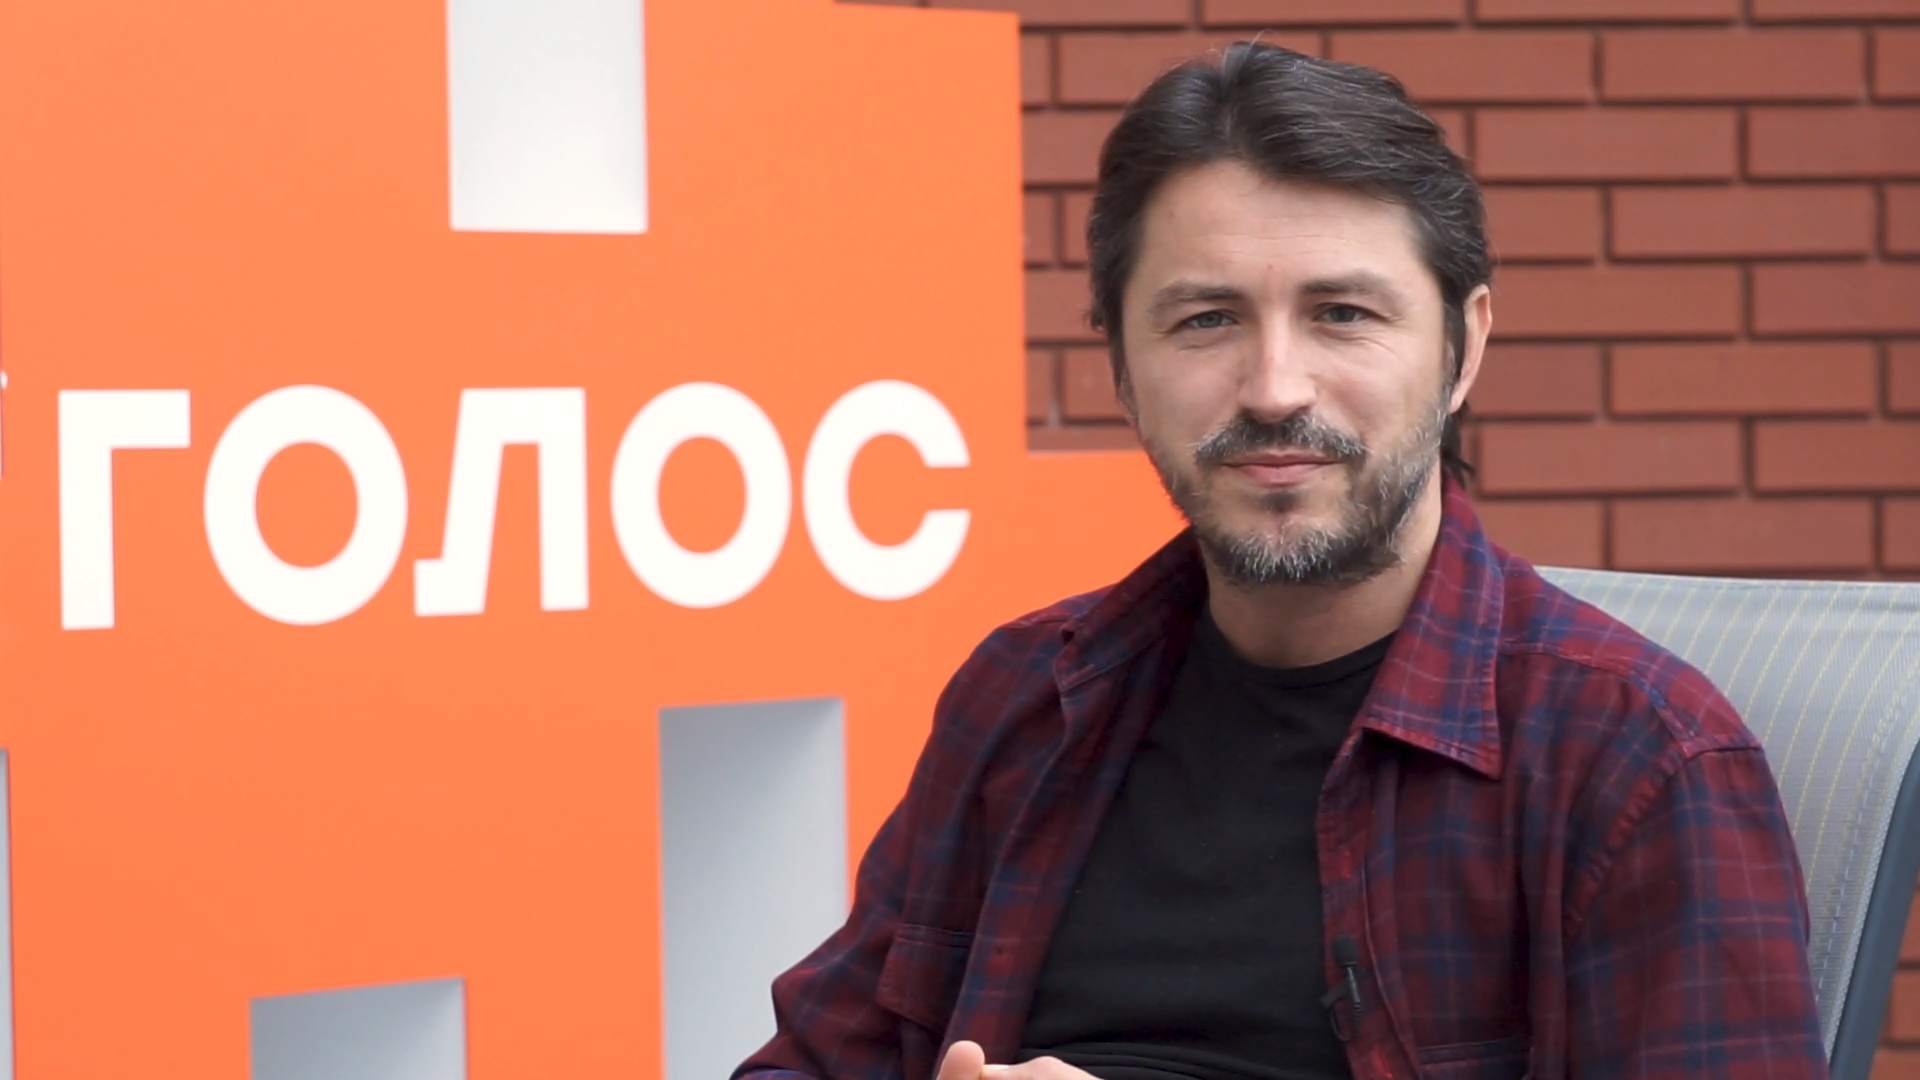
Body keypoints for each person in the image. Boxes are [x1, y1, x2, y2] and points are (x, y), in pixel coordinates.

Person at [734, 42, 1826, 1080]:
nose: (1273, 389)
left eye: (1342, 314)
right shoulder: (1024, 699)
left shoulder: (1637, 760)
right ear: (1122, 368)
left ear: (1463, 348)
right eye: (1206, 320)